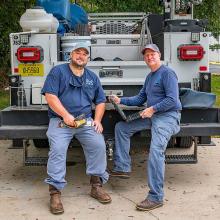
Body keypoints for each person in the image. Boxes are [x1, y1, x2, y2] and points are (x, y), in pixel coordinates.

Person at [41, 42, 111, 215]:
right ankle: (55, 193)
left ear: (88, 58)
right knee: (57, 149)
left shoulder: (92, 77)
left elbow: (100, 101)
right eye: (77, 53)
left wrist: (97, 120)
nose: (81, 56)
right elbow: (50, 96)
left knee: (99, 145)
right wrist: (65, 115)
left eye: (84, 54)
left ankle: (96, 186)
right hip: (61, 121)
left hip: (84, 122)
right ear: (70, 55)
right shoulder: (58, 72)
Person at [110, 43, 181, 211]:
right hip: (153, 115)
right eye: (146, 55)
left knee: (156, 152)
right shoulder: (150, 77)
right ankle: (123, 167)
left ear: (159, 54)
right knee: (122, 128)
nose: (149, 57)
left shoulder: (168, 74)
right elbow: (139, 99)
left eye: (152, 54)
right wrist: (120, 100)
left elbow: (173, 100)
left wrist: (153, 108)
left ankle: (156, 197)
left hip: (168, 117)